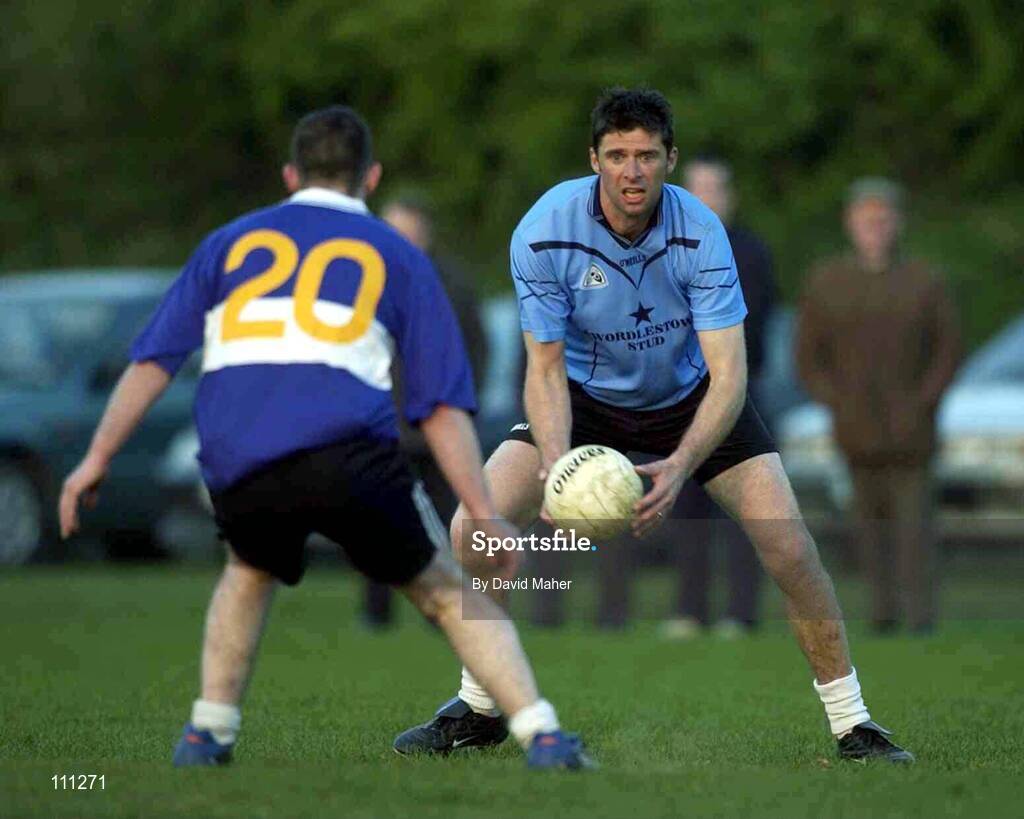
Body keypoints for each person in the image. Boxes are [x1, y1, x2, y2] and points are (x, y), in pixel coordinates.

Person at [57, 105, 592, 770]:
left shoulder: (227, 243)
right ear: (371, 176)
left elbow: (153, 362)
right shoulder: (398, 253)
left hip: (239, 454)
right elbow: (440, 409)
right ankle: (542, 734)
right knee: (449, 593)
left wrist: (96, 459)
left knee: (246, 571)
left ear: (289, 174)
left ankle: (208, 731)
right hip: (350, 451)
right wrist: (484, 514)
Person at [394, 88, 913, 764]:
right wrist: (556, 466)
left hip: (692, 398)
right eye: (616, 155)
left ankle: (854, 725)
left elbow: (730, 375)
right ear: (594, 159)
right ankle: (481, 707)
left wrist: (682, 461)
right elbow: (544, 369)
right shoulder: (544, 231)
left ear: (670, 158)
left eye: (646, 155)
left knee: (790, 548)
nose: (631, 171)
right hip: (583, 399)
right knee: (473, 526)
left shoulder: (701, 233)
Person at [796, 177, 960, 634]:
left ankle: (921, 616)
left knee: (914, 530)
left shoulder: (925, 281)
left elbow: (948, 350)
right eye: (867, 219)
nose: (875, 228)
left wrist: (924, 401)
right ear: (851, 224)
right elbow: (808, 356)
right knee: (867, 529)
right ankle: (881, 613)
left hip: (913, 433)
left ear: (897, 223)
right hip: (854, 431)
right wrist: (835, 402)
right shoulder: (827, 282)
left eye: (883, 219)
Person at [658, 157, 778, 639]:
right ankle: (688, 610)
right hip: (678, 397)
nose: (706, 197)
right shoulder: (661, 248)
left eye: (715, 188)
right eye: (697, 188)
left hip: (737, 392)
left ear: (730, 195)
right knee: (684, 501)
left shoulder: (751, 252)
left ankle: (741, 614)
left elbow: (760, 327)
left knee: (744, 504)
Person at [359, 195, 489, 628]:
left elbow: (478, 347)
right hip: (381, 426)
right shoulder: (363, 279)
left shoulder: (453, 284)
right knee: (380, 521)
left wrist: (464, 406)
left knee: (445, 523)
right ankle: (376, 613)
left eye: (405, 228)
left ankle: (443, 611)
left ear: (424, 232)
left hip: (439, 427)